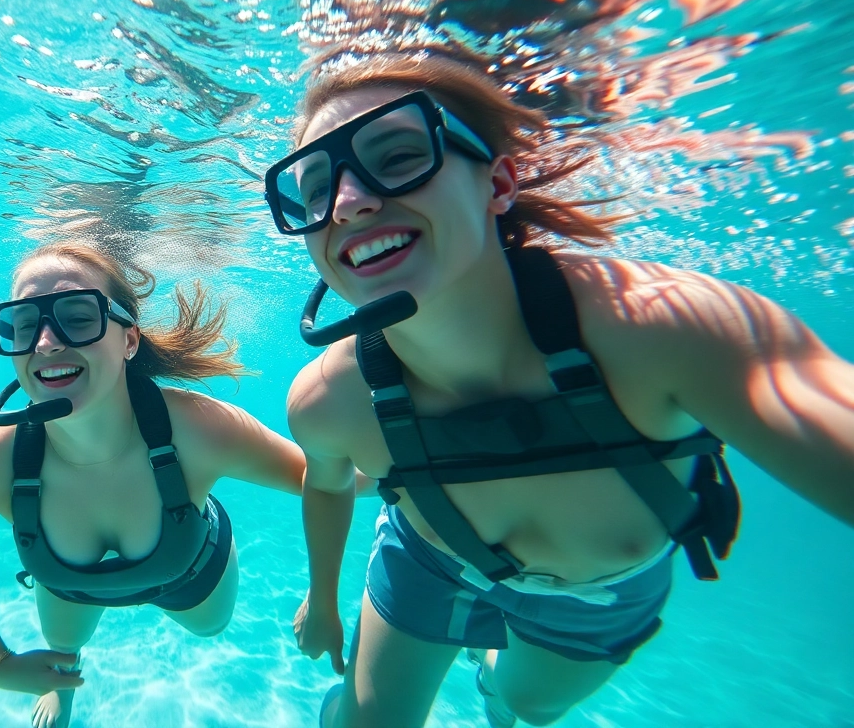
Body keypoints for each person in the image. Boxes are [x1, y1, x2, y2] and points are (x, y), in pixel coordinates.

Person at [270, 50, 854, 727]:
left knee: (526, 706)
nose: (347, 203)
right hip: (431, 559)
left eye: (397, 156)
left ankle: (495, 686)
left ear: (498, 184)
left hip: (597, 594)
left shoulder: (659, 329)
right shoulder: (328, 399)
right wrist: (322, 598)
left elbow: (811, 394)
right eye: (314, 191)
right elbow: (329, 481)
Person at [0, 241, 308, 728]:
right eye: (23, 324)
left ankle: (197, 502)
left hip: (187, 567)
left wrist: (326, 583)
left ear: (129, 339)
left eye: (78, 317)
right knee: (62, 650)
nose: (45, 343)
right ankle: (66, 687)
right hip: (72, 588)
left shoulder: (199, 429)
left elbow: (326, 478)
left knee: (211, 628)